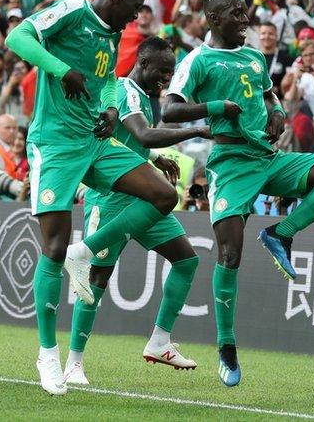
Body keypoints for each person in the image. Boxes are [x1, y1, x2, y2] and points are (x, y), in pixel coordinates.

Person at [162, 0, 314, 387]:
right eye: (236, 14)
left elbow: (269, 96)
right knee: (230, 253)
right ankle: (227, 347)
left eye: (245, 12)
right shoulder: (198, 60)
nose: (245, 20)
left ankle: (281, 233)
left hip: (269, 159)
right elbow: (170, 108)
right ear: (213, 19)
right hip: (231, 164)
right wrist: (216, 108)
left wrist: (279, 112)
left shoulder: (253, 55)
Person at [4, 0, 180, 396]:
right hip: (56, 145)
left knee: (163, 193)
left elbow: (104, 82)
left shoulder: (112, 34)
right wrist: (61, 68)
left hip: (95, 141)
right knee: (52, 247)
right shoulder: (70, 11)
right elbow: (16, 38)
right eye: (135, 9)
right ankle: (48, 354)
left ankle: (83, 252)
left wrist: (110, 110)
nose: (137, 19)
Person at [65, 37, 211, 385]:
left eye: (171, 72)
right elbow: (142, 134)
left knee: (187, 259)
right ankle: (73, 363)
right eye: (162, 71)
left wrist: (154, 158)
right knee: (98, 279)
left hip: (141, 197)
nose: (166, 78)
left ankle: (160, 341)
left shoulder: (144, 95)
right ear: (142, 63)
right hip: (112, 198)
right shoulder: (126, 90)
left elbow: (127, 143)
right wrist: (199, 130)